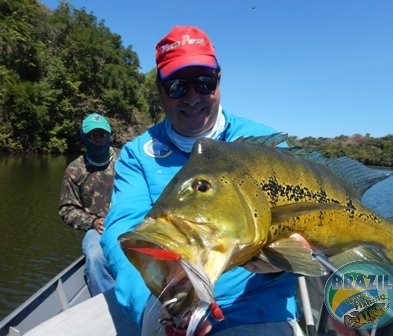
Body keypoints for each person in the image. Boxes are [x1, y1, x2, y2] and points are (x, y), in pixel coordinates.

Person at [101, 26, 304, 335]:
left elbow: (305, 226)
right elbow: (124, 229)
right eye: (177, 87)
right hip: (168, 308)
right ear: (160, 90)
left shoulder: (265, 147)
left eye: (204, 83)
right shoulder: (137, 155)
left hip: (256, 308)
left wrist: (282, 262)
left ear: (218, 81)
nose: (193, 97)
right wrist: (161, 305)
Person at [59, 112, 117, 297]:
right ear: (85, 137)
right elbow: (67, 209)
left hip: (132, 222)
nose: (99, 139)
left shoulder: (126, 159)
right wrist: (92, 222)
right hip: (99, 229)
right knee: (94, 257)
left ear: (109, 136)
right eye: (94, 135)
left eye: (102, 135)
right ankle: (105, 304)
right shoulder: (75, 169)